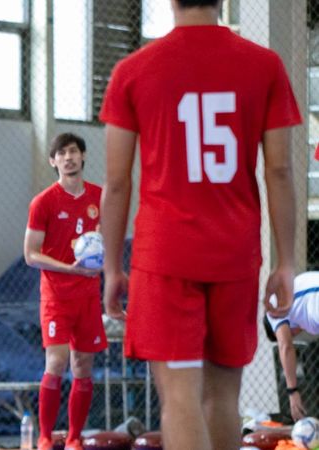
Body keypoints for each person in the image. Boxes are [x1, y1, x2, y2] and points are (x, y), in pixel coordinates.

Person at [99, 1, 300, 449]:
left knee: (179, 396)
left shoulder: (134, 70)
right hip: (235, 254)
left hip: (165, 255)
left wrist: (112, 266)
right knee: (223, 399)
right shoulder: (264, 65)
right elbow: (280, 171)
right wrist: (287, 262)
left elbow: (115, 184)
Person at [24, 133, 106, 450]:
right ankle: (45, 438)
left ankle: (74, 439)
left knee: (83, 366)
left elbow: (112, 240)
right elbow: (30, 255)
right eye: (62, 153)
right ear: (53, 160)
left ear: (83, 156)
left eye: (73, 151)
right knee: (56, 362)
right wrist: (68, 268)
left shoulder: (99, 197)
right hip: (57, 295)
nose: (68, 157)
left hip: (89, 295)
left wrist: (103, 249)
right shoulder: (43, 202)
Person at [264, 271, 319, 421]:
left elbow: (286, 346)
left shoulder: (273, 309)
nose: (292, 335)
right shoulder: (300, 309)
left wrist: (292, 392)